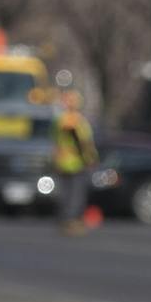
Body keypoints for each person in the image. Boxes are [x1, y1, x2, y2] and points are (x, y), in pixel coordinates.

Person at [53, 90, 99, 234]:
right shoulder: (75, 121)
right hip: (77, 163)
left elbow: (56, 142)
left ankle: (66, 220)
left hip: (63, 162)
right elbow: (84, 143)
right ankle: (71, 221)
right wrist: (91, 159)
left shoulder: (59, 120)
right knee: (75, 194)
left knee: (66, 194)